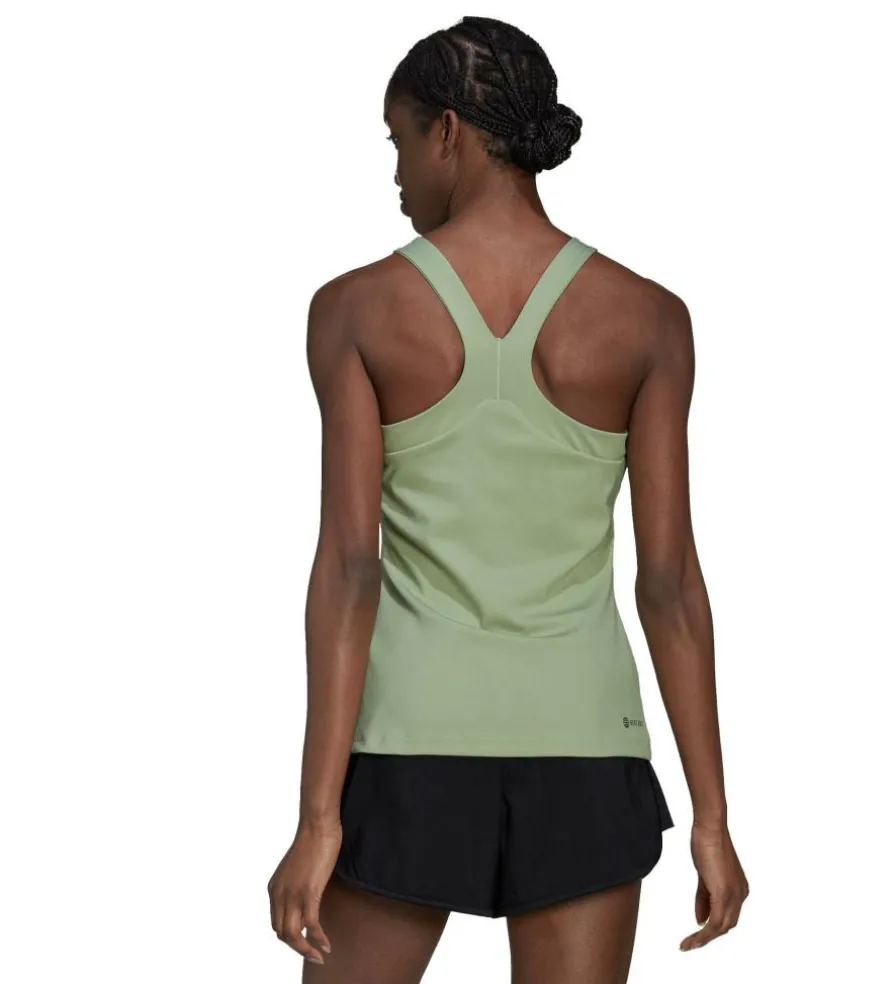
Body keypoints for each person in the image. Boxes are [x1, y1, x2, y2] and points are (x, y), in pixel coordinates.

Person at [267, 15, 748, 983]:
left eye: (399, 141)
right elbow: (669, 586)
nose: (396, 173)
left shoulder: (354, 310)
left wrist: (320, 820)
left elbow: (350, 572)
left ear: (448, 131)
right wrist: (711, 816)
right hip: (586, 747)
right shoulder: (650, 319)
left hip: (406, 748)